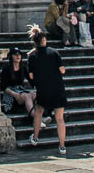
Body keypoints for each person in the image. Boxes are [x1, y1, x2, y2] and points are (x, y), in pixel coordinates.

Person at [26, 26, 68, 155]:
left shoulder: (32, 56)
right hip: (57, 87)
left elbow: (31, 75)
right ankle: (62, 146)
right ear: (44, 39)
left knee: (39, 112)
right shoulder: (54, 52)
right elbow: (62, 70)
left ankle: (36, 137)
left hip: (43, 88)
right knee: (60, 118)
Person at [0, 47, 36, 114]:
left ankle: (41, 115)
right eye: (15, 54)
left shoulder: (23, 67)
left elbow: (31, 80)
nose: (18, 56)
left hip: (19, 90)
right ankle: (35, 116)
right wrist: (14, 94)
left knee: (34, 95)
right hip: (10, 93)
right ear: (11, 56)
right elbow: (3, 86)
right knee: (27, 96)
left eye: (19, 54)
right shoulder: (6, 68)